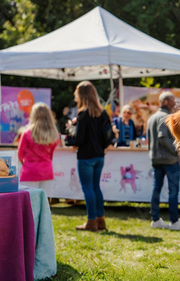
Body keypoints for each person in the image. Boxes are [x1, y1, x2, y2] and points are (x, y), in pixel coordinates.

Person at [147, 91, 180, 231]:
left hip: (156, 158)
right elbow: (162, 137)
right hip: (169, 159)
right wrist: (178, 150)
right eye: (172, 101)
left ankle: (155, 219)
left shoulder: (152, 117)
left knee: (156, 189)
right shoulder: (165, 117)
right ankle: (174, 220)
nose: (174, 103)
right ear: (165, 102)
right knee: (173, 190)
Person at [73, 81, 111, 232]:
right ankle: (100, 220)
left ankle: (91, 221)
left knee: (88, 188)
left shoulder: (83, 114)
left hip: (86, 156)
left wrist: (72, 128)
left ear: (82, 95)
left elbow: (78, 139)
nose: (75, 97)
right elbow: (108, 136)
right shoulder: (102, 113)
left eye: (76, 94)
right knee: (96, 187)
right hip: (99, 156)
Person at [18, 103, 59, 192]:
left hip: (30, 170)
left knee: (29, 202)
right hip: (47, 170)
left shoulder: (27, 133)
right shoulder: (54, 134)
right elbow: (51, 155)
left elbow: (20, 154)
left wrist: (26, 163)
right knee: (44, 202)